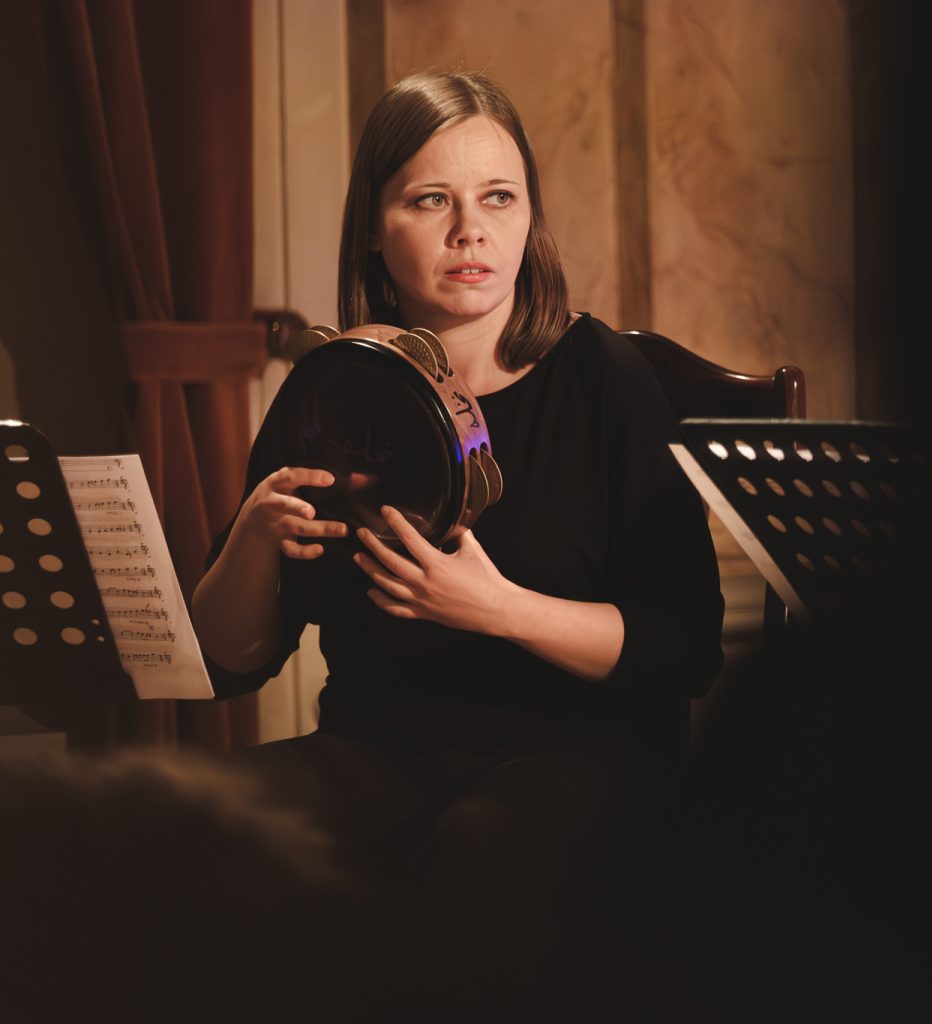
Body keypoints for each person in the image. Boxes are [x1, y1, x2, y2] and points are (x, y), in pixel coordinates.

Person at [190, 70, 724, 1009]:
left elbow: (684, 647)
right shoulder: (333, 388)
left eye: (498, 198)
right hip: (377, 751)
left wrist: (501, 610)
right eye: (431, 200)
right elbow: (231, 662)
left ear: (529, 219)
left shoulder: (604, 378)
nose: (470, 231)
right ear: (374, 225)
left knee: (479, 850)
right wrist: (254, 538)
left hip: (581, 761)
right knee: (196, 831)